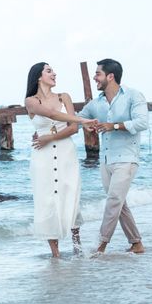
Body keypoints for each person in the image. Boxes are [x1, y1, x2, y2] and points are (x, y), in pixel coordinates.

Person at [25, 62, 96, 258]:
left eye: (53, 70)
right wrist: (82, 120)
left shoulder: (64, 97)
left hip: (65, 152)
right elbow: (52, 114)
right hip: (42, 157)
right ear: (38, 77)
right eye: (49, 71)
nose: (54, 73)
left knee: (70, 193)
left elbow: (72, 129)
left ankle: (77, 246)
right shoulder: (31, 101)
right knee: (47, 200)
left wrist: (51, 137)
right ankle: (55, 253)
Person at [78, 58, 149, 254]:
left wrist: (114, 126)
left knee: (114, 200)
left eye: (98, 74)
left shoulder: (133, 96)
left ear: (110, 76)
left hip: (127, 158)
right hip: (106, 160)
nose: (94, 77)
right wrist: (49, 130)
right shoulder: (96, 103)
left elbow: (142, 123)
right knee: (119, 202)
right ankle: (136, 243)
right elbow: (78, 119)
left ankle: (100, 245)